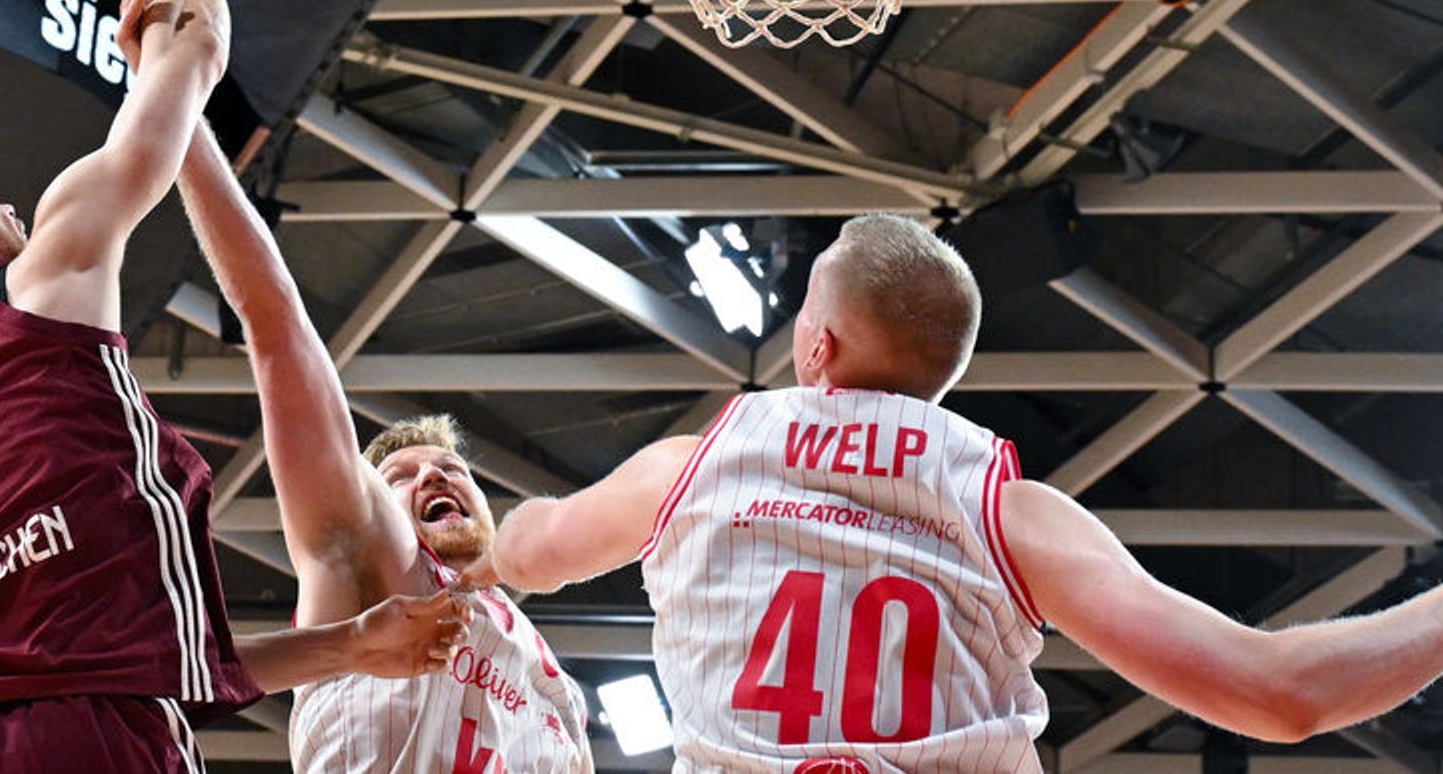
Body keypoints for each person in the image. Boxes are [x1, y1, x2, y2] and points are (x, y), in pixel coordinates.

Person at [480, 213, 1443, 772]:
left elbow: (531, 551)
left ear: (815, 350)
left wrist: (472, 535)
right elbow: (1281, 694)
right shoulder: (1007, 508)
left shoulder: (694, 463)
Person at [0, 0, 468, 774]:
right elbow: (199, 51)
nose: (4, 201)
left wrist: (347, 645)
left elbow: (104, 653)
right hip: (75, 736)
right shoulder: (36, 279)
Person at [176, 120, 593, 773]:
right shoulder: (373, 558)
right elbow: (276, 324)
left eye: (452, 468)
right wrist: (179, 111)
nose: (433, 477)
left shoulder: (551, 679)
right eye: (402, 475)